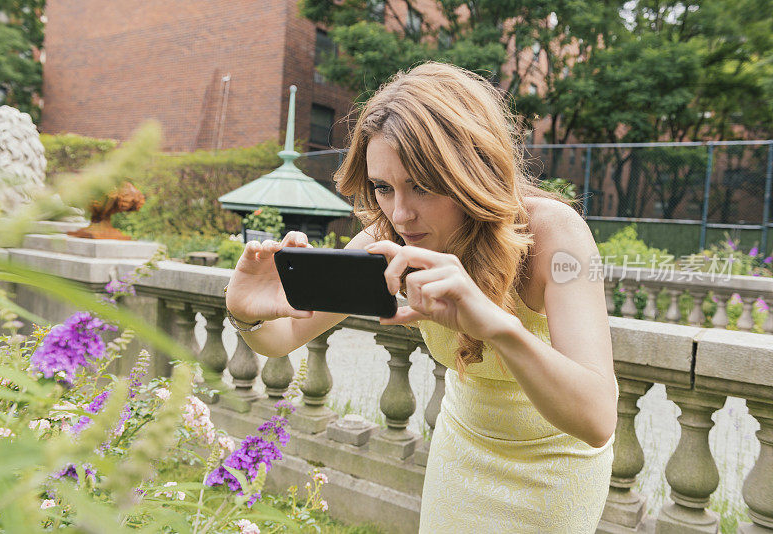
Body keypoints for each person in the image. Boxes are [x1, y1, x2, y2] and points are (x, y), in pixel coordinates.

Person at [225, 61, 618, 532]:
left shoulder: (556, 234)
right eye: (383, 187)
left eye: (423, 186)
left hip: (555, 473)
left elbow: (598, 419)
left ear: (473, 170)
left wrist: (495, 326)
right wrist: (244, 313)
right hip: (461, 451)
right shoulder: (387, 240)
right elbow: (282, 338)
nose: (402, 213)